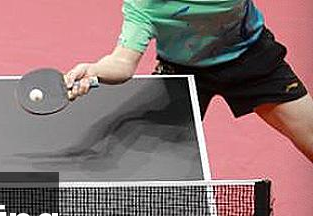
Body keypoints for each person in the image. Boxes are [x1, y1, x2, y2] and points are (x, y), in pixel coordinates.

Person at [65, 0, 313, 163]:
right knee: (157, 166)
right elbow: (122, 62)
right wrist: (94, 70)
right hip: (182, 73)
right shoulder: (145, 4)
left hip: (251, 58)